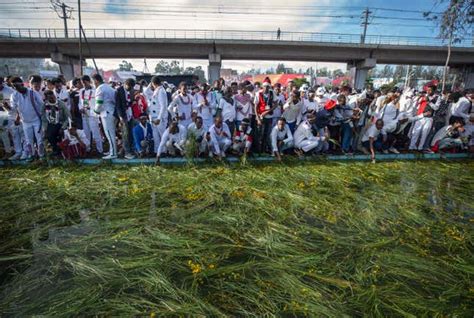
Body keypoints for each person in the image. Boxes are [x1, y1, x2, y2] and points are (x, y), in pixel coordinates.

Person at [10, 76, 44, 161]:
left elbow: (42, 105)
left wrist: (43, 118)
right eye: (14, 87)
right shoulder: (14, 95)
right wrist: (7, 107)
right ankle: (31, 156)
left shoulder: (33, 93)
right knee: (29, 141)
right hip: (25, 122)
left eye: (17, 86)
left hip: (36, 120)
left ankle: (41, 156)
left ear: (22, 84)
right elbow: (13, 109)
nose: (16, 88)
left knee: (39, 140)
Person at [93, 74, 117, 159]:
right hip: (111, 112)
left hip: (106, 113)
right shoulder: (108, 87)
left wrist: (95, 111)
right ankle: (112, 151)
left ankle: (113, 153)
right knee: (111, 133)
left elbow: (99, 103)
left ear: (96, 80)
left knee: (109, 134)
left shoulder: (100, 88)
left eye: (93, 81)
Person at [79, 75, 103, 155]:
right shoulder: (81, 91)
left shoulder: (95, 90)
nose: (84, 84)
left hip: (93, 115)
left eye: (85, 82)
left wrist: (94, 111)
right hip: (84, 115)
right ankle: (88, 149)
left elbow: (98, 103)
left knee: (96, 133)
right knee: (86, 133)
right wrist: (80, 108)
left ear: (89, 81)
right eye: (82, 83)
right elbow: (80, 102)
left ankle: (100, 150)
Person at [43, 90, 70, 156]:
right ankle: (56, 150)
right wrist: (45, 128)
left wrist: (63, 127)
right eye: (50, 98)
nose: (52, 99)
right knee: (49, 135)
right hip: (51, 124)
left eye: (53, 97)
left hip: (62, 123)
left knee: (61, 134)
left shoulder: (61, 103)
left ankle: (64, 151)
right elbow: (44, 118)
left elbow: (68, 117)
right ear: (47, 99)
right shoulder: (45, 105)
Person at [0, 77, 22, 160]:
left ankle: (20, 152)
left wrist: (17, 116)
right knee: (3, 134)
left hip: (13, 115)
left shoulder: (10, 91)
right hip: (2, 115)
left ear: (2, 83)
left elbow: (17, 106)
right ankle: (8, 152)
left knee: (15, 134)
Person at [115, 78, 136, 159]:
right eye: (129, 87)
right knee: (125, 134)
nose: (131, 89)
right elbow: (118, 106)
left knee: (130, 133)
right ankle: (127, 152)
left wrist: (132, 102)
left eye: (132, 88)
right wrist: (120, 117)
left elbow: (130, 101)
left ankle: (130, 150)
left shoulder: (131, 90)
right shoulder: (118, 91)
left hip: (130, 114)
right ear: (126, 84)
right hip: (123, 115)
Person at [254, 78, 277, 153]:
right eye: (265, 86)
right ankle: (258, 150)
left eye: (268, 87)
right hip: (261, 116)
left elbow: (276, 104)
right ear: (262, 86)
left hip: (269, 116)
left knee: (267, 134)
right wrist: (257, 118)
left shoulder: (272, 93)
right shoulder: (258, 93)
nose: (266, 88)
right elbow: (255, 106)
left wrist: (268, 111)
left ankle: (264, 150)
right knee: (260, 133)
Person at [149, 76, 169, 155]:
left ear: (153, 83)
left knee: (162, 135)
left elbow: (163, 106)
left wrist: (159, 118)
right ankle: (156, 151)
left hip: (159, 118)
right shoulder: (156, 90)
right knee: (156, 136)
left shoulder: (161, 91)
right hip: (154, 117)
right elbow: (146, 92)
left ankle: (164, 151)